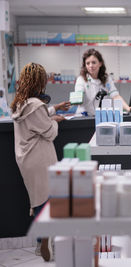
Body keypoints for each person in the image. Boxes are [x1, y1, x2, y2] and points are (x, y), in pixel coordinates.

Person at [10, 62, 69, 262]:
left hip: (25, 158)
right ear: (40, 82)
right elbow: (50, 132)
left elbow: (35, 117)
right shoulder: (35, 106)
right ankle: (45, 239)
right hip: (39, 157)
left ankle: (39, 243)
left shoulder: (21, 102)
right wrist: (55, 120)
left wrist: (53, 109)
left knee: (37, 200)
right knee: (47, 201)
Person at [75, 48, 131, 115]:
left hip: (101, 116)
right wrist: (77, 98)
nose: (91, 66)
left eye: (93, 62)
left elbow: (115, 96)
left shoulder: (107, 79)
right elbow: (78, 96)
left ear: (100, 63)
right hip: (84, 116)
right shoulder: (81, 79)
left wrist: (128, 108)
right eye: (87, 63)